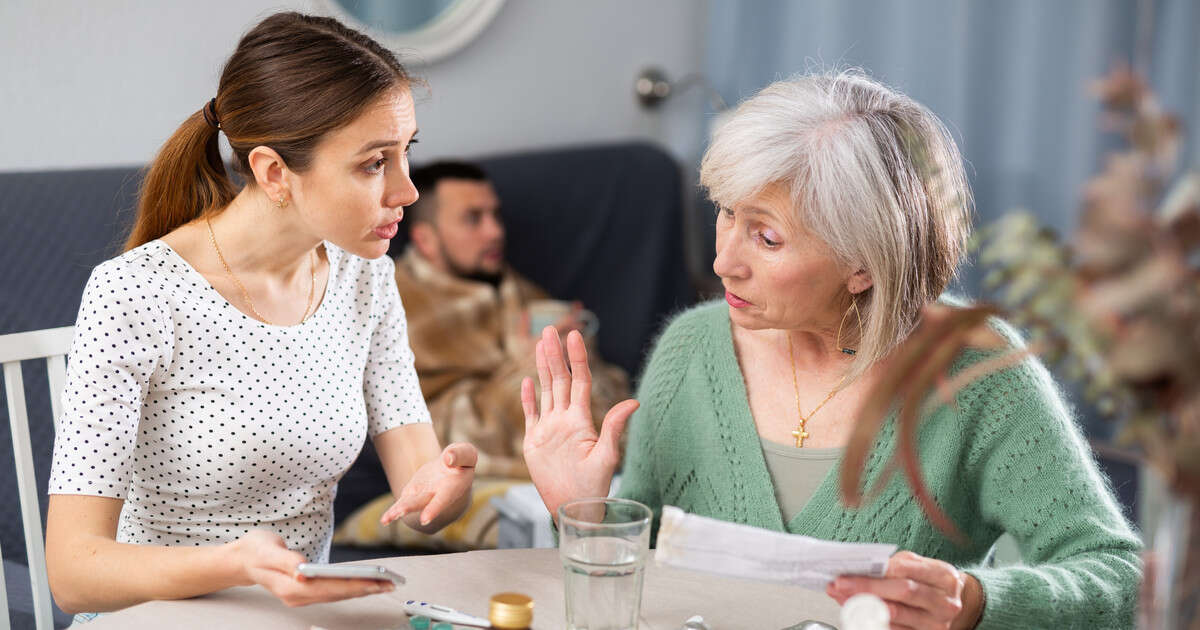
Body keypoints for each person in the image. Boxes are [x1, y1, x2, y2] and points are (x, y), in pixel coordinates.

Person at [521, 71, 1142, 629]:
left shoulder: (975, 366)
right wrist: (584, 512)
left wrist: (976, 602)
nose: (722, 262)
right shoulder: (689, 351)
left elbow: (1118, 576)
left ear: (862, 264)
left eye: (765, 237)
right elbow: (638, 582)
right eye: (724, 214)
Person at [45, 12, 475, 618]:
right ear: (275, 173)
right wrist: (238, 564)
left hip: (296, 620)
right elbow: (73, 572)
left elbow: (421, 488)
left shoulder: (365, 275)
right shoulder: (135, 293)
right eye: (374, 163)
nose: (407, 191)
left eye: (406, 153)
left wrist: (449, 492)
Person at [393, 161, 629, 478]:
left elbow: (603, 380)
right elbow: (419, 426)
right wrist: (526, 364)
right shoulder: (394, 300)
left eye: (495, 215)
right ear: (426, 240)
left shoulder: (521, 290)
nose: (496, 232)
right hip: (464, 441)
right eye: (473, 219)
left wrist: (576, 349)